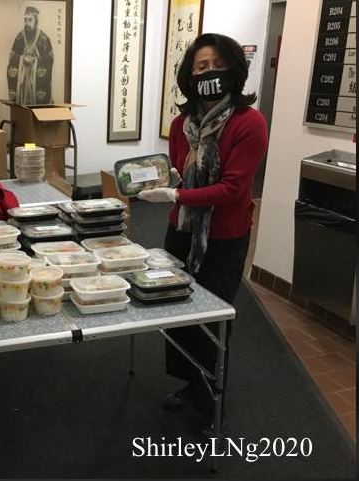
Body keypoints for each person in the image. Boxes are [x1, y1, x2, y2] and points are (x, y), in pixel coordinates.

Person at [138, 33, 268, 434]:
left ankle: (212, 397)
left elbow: (231, 189)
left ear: (235, 69)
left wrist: (178, 191)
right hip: (181, 232)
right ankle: (191, 385)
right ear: (188, 76)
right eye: (200, 67)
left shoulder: (250, 123)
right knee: (177, 312)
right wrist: (175, 179)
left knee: (211, 318)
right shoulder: (182, 124)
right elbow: (178, 166)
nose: (209, 73)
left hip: (224, 238)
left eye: (217, 65)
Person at [7, 6, 54, 105]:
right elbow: (12, 56)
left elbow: (49, 59)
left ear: (36, 21)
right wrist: (22, 59)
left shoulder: (43, 38)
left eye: (30, 20)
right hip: (22, 82)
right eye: (25, 20)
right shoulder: (20, 37)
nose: (27, 23)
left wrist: (35, 61)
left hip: (36, 82)